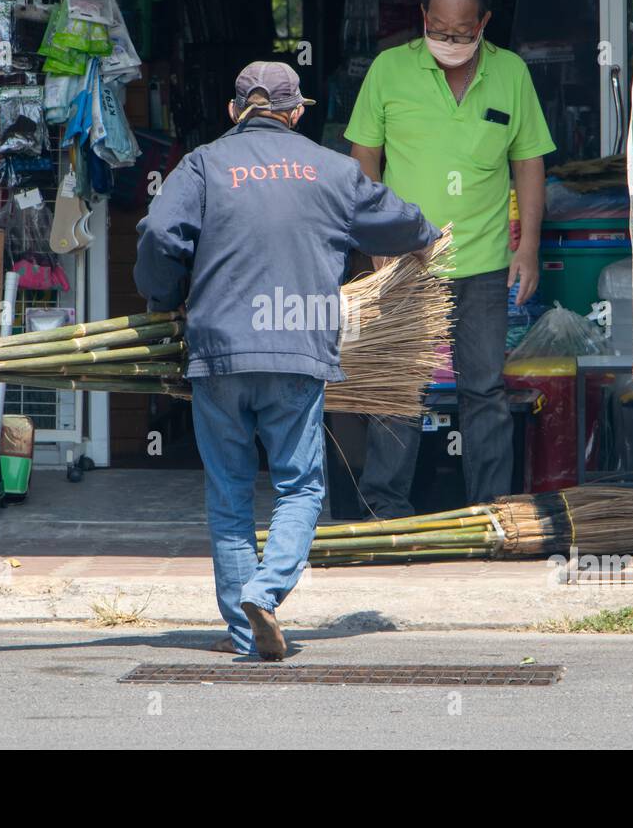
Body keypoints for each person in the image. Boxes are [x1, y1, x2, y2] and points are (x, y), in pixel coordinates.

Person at [134, 62, 440, 660]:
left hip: (218, 351)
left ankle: (247, 632)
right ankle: (266, 592)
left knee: (228, 493)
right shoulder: (332, 169)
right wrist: (426, 232)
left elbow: (158, 238)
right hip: (296, 347)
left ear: (233, 112)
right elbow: (401, 224)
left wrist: (162, 299)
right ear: (298, 113)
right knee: (300, 488)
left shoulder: (203, 165)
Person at [345, 0, 555, 517]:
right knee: (400, 386)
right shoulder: (390, 70)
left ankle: (492, 511)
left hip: (484, 261)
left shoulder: (510, 73)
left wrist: (527, 247)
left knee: (483, 388)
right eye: (438, 28)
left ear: (484, 23)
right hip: (403, 260)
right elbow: (363, 158)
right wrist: (376, 236)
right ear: (423, 19)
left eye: (461, 32)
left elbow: (529, 164)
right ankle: (384, 509)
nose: (448, 40)